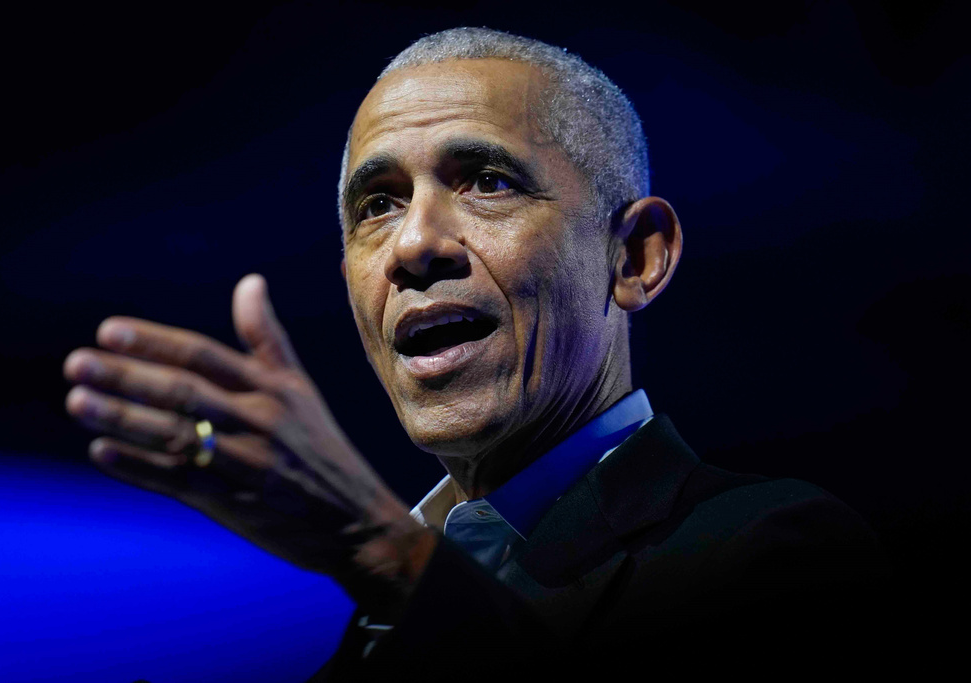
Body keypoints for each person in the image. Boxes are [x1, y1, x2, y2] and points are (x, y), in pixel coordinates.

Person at [63, 28, 885, 680]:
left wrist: (380, 548)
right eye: (377, 204)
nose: (414, 244)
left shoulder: (776, 549)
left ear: (635, 256)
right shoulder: (365, 637)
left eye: (488, 181)